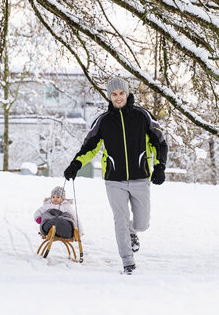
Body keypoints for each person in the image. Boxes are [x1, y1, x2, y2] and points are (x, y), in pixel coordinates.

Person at [64, 77, 167, 275]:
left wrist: (159, 166)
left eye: (121, 93)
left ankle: (133, 232)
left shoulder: (142, 116)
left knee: (142, 223)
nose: (118, 97)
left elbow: (159, 143)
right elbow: (90, 147)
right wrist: (76, 164)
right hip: (113, 180)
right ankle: (128, 263)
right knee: (120, 219)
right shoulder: (103, 121)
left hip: (140, 178)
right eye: (114, 94)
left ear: (127, 94)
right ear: (109, 97)